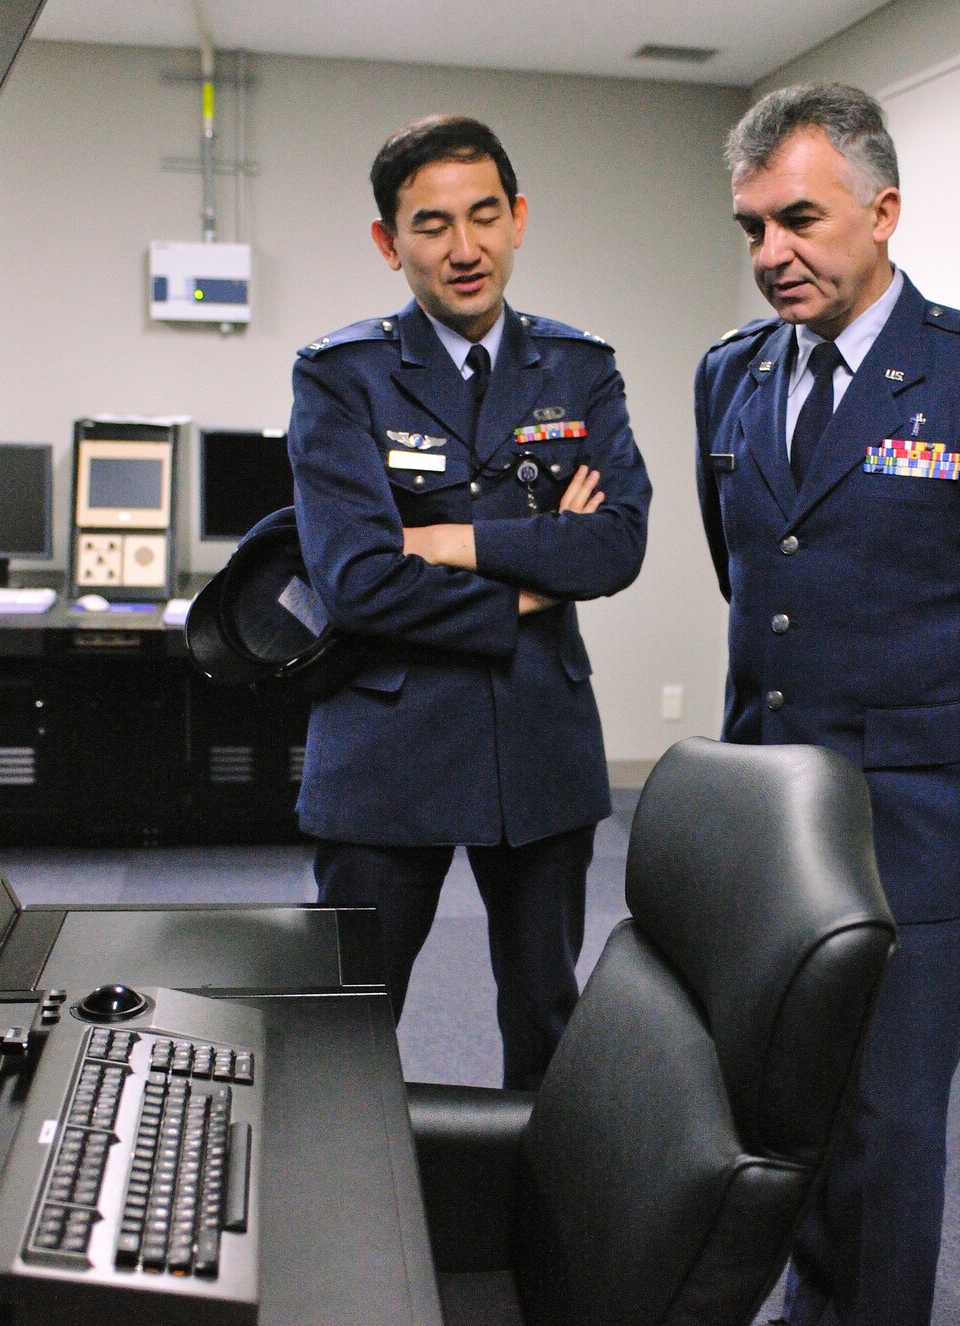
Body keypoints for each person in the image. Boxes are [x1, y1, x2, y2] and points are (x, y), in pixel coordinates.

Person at [696, 84, 960, 1326]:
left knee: (883, 1133)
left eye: (799, 220)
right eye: (752, 227)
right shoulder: (728, 375)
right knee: (785, 1109)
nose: (772, 253)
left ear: (881, 213)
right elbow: (755, 581)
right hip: (773, 820)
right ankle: (806, 1309)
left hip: (910, 834)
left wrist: (945, 742)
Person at [287, 115, 650, 1091]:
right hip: (386, 745)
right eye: (432, 224)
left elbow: (616, 545)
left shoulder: (579, 367)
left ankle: (538, 1191)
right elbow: (356, 580)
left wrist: (448, 542)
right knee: (346, 1022)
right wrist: (530, 582)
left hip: (538, 737)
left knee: (545, 1014)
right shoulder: (340, 376)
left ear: (517, 218)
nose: (464, 247)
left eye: (484, 215)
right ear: (388, 241)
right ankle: (343, 1186)